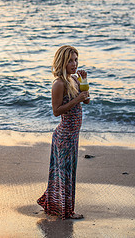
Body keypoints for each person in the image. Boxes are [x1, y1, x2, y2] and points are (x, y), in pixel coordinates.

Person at [37, 45, 90, 220]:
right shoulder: (59, 83)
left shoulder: (74, 79)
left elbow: (86, 100)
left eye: (76, 60)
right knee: (64, 175)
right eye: (70, 61)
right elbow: (56, 111)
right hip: (64, 136)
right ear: (62, 62)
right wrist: (77, 100)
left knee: (67, 173)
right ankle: (66, 211)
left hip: (73, 136)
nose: (74, 64)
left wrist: (84, 83)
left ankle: (55, 206)